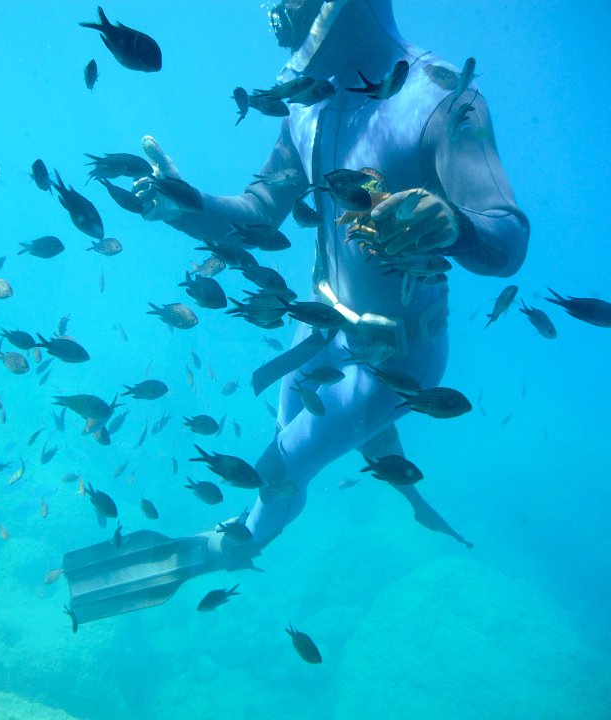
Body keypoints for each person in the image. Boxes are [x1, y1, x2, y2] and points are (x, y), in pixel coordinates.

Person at [63, 0, 529, 623]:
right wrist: (181, 203)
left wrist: (454, 224)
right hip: (318, 330)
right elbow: (259, 213)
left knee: (277, 468)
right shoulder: (308, 102)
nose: (269, 9)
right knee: (288, 450)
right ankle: (379, 448)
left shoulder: (444, 99)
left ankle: (229, 548)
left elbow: (508, 238)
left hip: (399, 355)